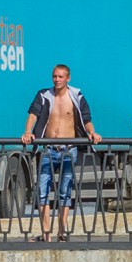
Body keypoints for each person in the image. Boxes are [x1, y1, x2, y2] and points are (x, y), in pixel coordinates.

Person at [26, 63, 92, 237]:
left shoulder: (76, 95)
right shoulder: (44, 95)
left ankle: (62, 230)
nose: (57, 80)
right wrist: (27, 132)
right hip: (48, 149)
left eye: (60, 77)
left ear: (68, 78)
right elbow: (33, 114)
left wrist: (93, 132)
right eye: (54, 76)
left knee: (65, 191)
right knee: (42, 190)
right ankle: (46, 232)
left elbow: (86, 118)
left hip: (69, 150)